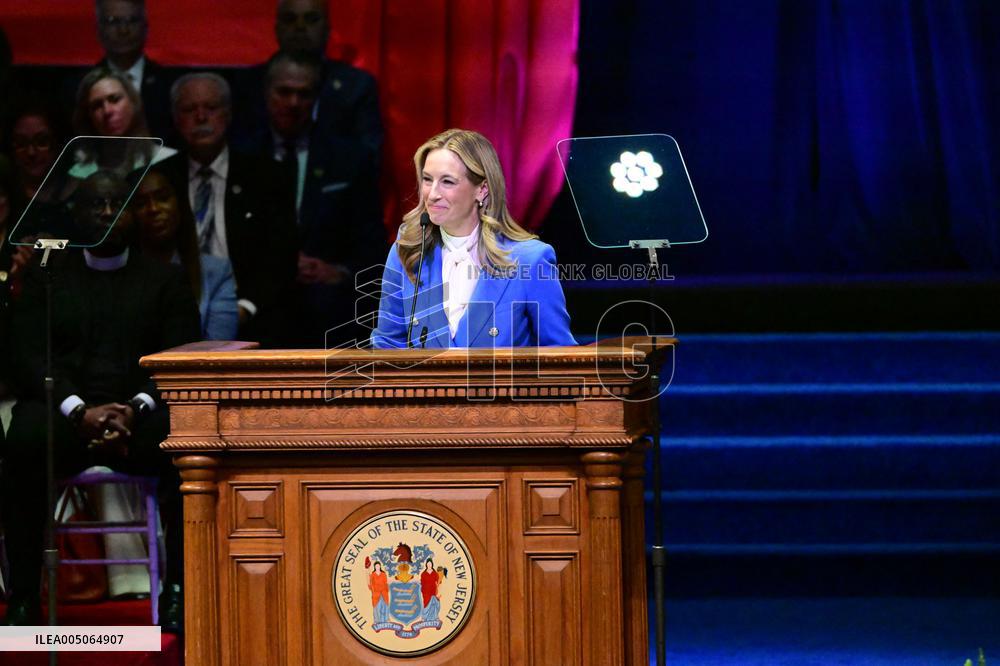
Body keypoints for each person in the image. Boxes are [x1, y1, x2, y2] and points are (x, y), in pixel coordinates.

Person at [1, 170, 200, 628]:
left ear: (133, 213)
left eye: (117, 204)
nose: (108, 214)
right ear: (76, 215)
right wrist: (78, 410)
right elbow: (28, 358)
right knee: (24, 442)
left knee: (187, 444)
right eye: (96, 205)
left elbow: (182, 360)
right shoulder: (48, 279)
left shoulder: (165, 280)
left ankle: (179, 592)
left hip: (140, 417)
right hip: (66, 413)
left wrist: (135, 407)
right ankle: (25, 597)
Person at [371, 129, 576, 349]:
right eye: (427, 179)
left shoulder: (529, 259)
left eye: (447, 182)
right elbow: (387, 344)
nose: (432, 194)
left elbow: (560, 355)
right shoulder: (408, 249)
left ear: (482, 190)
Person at [249, 51, 384, 346]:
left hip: (330, 311)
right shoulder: (242, 153)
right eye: (284, 92)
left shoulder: (349, 160)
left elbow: (371, 243)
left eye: (304, 94)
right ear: (266, 92)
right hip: (255, 309)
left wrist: (338, 272)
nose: (294, 103)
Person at [156, 72, 298, 346]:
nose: (200, 117)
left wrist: (244, 308)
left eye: (211, 108)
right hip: (171, 314)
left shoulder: (267, 176)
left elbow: (281, 257)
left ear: (228, 113)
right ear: (175, 117)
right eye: (189, 109)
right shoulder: (158, 180)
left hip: (251, 315)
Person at [231, 0, 384, 164]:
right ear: (276, 29)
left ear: (327, 28)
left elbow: (368, 155)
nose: (300, 26)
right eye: (290, 19)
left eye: (311, 19)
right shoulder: (247, 84)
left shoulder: (356, 87)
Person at [132, 168, 238, 340]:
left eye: (163, 198)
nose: (153, 209)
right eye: (141, 203)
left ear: (180, 203)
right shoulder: (120, 271)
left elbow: (218, 351)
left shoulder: (216, 272)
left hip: (198, 365)